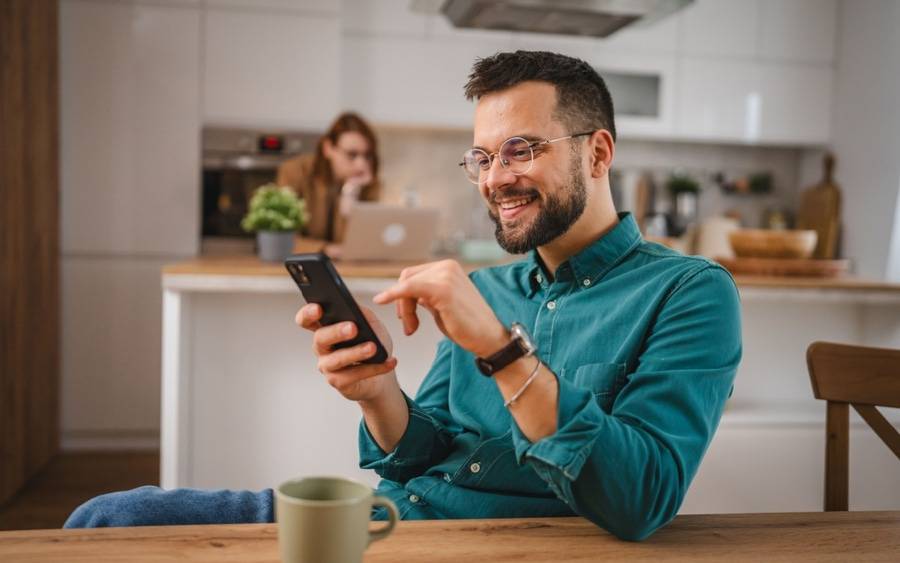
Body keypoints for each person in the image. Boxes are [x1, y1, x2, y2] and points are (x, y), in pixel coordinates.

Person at [64, 51, 741, 542]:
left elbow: (642, 498)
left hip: (462, 545)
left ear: (597, 154)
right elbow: (424, 451)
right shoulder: (488, 287)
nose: (494, 179)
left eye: (520, 150)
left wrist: (503, 352)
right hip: (380, 523)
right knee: (107, 518)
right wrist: (377, 391)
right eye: (481, 157)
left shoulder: (689, 294)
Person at [276, 112, 381, 242]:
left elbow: (357, 244)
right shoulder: (295, 172)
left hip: (343, 262)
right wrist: (325, 249)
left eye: (367, 155)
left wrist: (350, 193)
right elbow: (281, 238)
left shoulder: (365, 181)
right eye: (351, 154)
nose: (361, 165)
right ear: (328, 148)